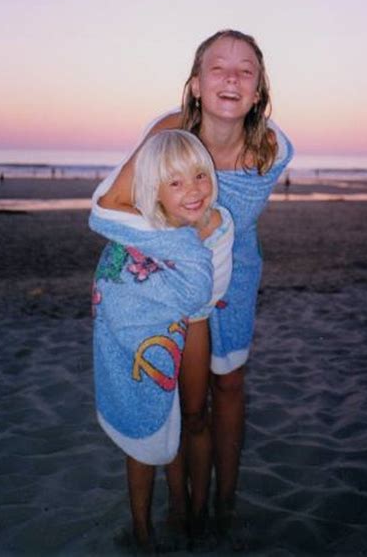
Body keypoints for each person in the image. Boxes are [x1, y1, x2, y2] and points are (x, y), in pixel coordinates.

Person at [95, 29, 294, 548]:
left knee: (227, 385)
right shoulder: (170, 130)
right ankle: (180, 506)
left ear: (258, 91)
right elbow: (116, 203)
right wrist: (182, 249)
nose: (232, 76)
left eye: (246, 69)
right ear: (197, 85)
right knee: (179, 397)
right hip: (166, 272)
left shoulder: (269, 148)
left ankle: (222, 504)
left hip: (235, 269)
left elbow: (237, 222)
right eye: (218, 68)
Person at [90, 130, 234, 551]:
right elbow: (101, 219)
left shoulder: (219, 225)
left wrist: (196, 242)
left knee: (194, 415)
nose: (194, 191)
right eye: (175, 182)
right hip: (144, 334)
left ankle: (194, 509)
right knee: (146, 427)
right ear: (153, 189)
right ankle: (144, 526)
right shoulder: (140, 226)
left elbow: (204, 294)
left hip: (195, 324)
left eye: (200, 176)